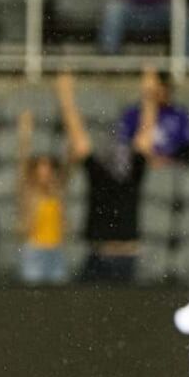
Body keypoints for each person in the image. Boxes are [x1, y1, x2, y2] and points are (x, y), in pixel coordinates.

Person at [58, 70, 155, 283]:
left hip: (126, 258)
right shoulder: (98, 174)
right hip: (98, 256)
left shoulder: (134, 172)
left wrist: (149, 93)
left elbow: (146, 131)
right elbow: (77, 137)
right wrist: (66, 96)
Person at [15, 109, 68, 285]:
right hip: (34, 250)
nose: (45, 173)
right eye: (41, 169)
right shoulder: (29, 192)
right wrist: (25, 132)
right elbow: (22, 161)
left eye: (48, 169)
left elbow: (69, 160)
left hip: (56, 249)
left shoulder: (57, 192)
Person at [117, 71, 189, 165]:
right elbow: (123, 146)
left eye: (164, 87)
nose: (160, 91)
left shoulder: (179, 114)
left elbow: (187, 150)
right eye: (153, 88)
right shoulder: (132, 114)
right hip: (139, 166)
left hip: (170, 166)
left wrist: (165, 160)